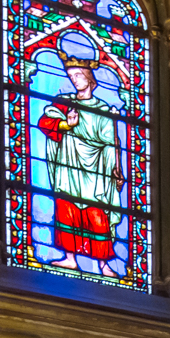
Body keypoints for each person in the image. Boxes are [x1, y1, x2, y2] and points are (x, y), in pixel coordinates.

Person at [36, 37, 126, 273]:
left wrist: (117, 169)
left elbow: (111, 143)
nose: (74, 80)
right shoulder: (65, 104)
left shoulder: (103, 111)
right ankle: (70, 258)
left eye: (79, 76)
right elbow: (44, 122)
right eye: (72, 76)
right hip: (68, 167)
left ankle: (104, 264)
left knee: (97, 215)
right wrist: (67, 124)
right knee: (67, 211)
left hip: (96, 172)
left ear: (90, 79)